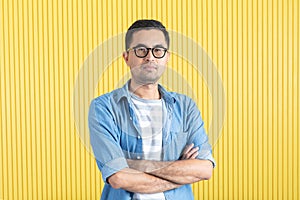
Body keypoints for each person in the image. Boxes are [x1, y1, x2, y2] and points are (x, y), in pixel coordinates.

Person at [88, 19, 215, 200]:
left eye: (157, 50)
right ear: (126, 57)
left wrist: (134, 164)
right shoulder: (104, 107)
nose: (150, 57)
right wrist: (181, 171)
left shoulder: (186, 107)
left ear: (167, 57)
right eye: (141, 50)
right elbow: (118, 177)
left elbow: (204, 169)